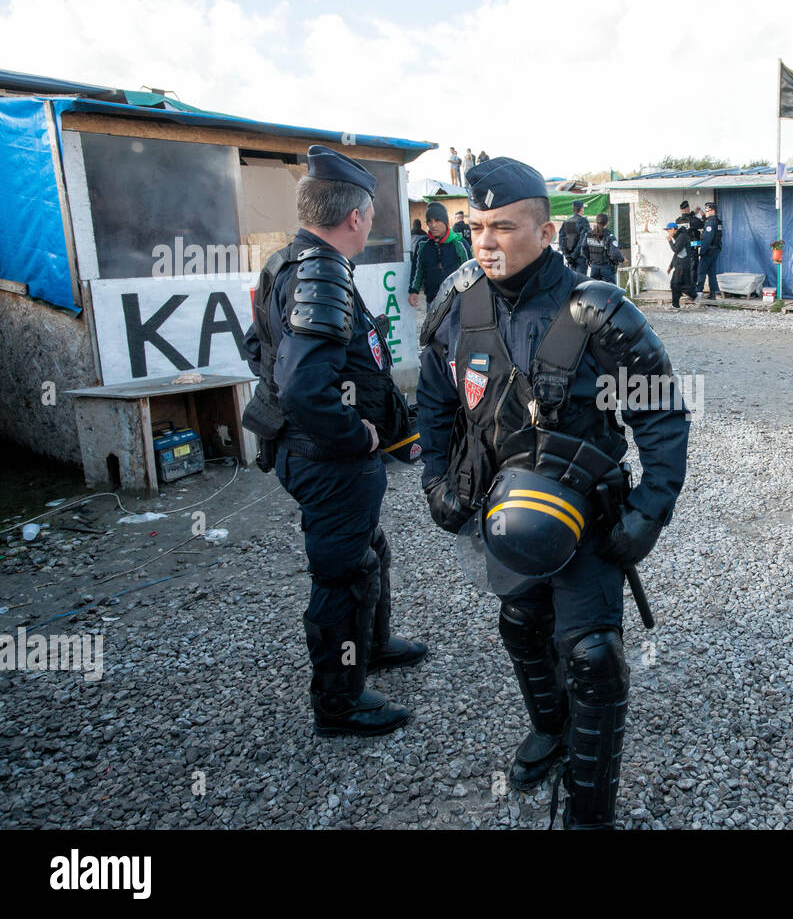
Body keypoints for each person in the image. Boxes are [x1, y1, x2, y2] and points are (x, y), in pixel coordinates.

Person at [415, 157, 689, 828]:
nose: (486, 241)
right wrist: (433, 478)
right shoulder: (457, 306)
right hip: (501, 511)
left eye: (503, 227)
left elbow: (662, 414)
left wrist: (651, 510)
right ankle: (550, 728)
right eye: (477, 226)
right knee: (520, 624)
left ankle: (589, 813)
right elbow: (433, 401)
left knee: (593, 658)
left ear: (544, 231)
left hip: (586, 516)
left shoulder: (596, 313)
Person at [239, 145, 427, 738]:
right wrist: (355, 433)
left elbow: (258, 349)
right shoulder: (320, 272)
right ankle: (339, 703)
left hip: (313, 452)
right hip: (329, 456)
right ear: (356, 217)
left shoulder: (287, 262)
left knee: (369, 551)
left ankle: (371, 648)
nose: (371, 222)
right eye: (371, 213)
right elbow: (299, 386)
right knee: (344, 577)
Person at [409, 201, 471, 309]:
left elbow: (469, 272)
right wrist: (413, 291)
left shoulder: (459, 243)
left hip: (456, 302)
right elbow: (417, 270)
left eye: (437, 220)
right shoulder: (423, 244)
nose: (433, 225)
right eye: (429, 221)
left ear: (445, 221)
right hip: (432, 301)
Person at [583, 212, 624, 282]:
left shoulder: (589, 234)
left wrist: (589, 259)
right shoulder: (609, 236)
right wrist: (622, 259)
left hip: (594, 267)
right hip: (606, 268)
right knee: (609, 290)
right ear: (607, 223)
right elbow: (614, 253)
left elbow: (583, 249)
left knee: (596, 290)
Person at [664, 221, 695, 310]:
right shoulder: (679, 237)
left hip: (682, 265)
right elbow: (677, 254)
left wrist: (670, 241)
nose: (668, 232)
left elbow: (676, 250)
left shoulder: (682, 237)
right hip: (679, 265)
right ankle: (675, 305)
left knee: (678, 285)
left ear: (673, 229)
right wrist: (671, 266)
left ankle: (695, 295)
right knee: (674, 284)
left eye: (668, 230)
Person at [696, 201, 723, 300]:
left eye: (707, 210)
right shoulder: (718, 221)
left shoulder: (710, 222)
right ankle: (712, 294)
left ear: (712, 210)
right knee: (712, 273)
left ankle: (698, 293)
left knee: (701, 271)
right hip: (715, 250)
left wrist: (702, 251)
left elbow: (708, 238)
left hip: (708, 250)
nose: (706, 212)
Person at [678, 201, 704, 294]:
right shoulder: (692, 220)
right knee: (693, 268)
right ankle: (691, 287)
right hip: (692, 248)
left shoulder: (678, 221)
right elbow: (702, 224)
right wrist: (702, 216)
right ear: (687, 208)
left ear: (681, 210)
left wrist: (692, 213)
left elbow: (687, 220)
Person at [558, 200, 591, 275]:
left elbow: (561, 241)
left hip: (570, 259)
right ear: (581, 209)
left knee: (572, 282)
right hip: (580, 257)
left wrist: (567, 256)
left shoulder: (566, 222)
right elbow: (583, 240)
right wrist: (574, 255)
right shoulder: (583, 221)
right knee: (581, 283)